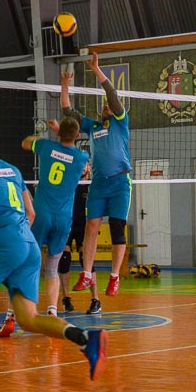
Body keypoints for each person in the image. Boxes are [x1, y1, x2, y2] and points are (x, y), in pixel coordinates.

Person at [0, 121, 107, 391]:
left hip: (4, 243)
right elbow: (31, 213)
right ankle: (85, 338)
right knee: (27, 318)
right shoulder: (12, 170)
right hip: (28, 243)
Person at [0, 118, 89, 337]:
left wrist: (50, 133)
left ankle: (10, 316)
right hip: (63, 218)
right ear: (76, 136)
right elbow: (77, 160)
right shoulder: (82, 157)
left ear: (59, 134)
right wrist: (62, 134)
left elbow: (26, 143)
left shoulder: (46, 146)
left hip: (41, 215)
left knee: (26, 265)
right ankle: (53, 313)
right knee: (52, 267)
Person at [60, 52, 132, 314]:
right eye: (102, 105)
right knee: (91, 226)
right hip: (99, 183)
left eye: (107, 105)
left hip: (120, 182)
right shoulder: (92, 127)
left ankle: (114, 277)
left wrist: (97, 70)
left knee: (116, 229)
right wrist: (65, 86)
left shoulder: (121, 122)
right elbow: (68, 113)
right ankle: (88, 273)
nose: (106, 106)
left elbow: (112, 95)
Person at [58, 162, 94, 313]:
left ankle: (95, 300)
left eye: (85, 165)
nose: (82, 167)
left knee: (85, 260)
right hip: (67, 224)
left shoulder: (92, 186)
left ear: (89, 168)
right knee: (64, 259)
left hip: (83, 226)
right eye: (81, 165)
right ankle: (66, 298)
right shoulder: (68, 183)